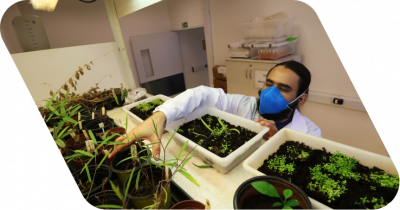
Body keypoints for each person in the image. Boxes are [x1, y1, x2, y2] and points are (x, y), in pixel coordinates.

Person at [108, 61, 321, 159]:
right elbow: (201, 94)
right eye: (269, 84)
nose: (270, 92)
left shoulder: (311, 132)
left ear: (301, 99)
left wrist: (280, 141)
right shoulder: (245, 104)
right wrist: (159, 116)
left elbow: (304, 170)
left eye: (283, 89)